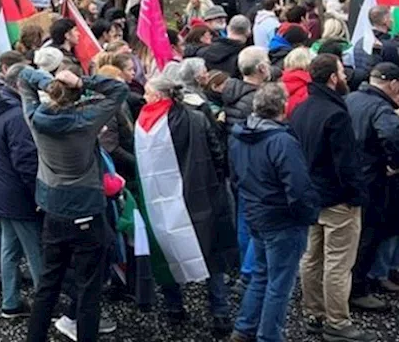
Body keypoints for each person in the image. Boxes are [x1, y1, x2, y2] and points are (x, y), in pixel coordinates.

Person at [19, 65, 125, 342]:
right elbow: (119, 89)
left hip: (53, 207)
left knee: (48, 284)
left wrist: (49, 81)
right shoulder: (86, 120)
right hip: (87, 208)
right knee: (89, 288)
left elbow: (23, 76)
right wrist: (81, 79)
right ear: (77, 97)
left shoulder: (34, 117)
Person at [134, 72, 235, 333]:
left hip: (159, 200)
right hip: (200, 195)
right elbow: (217, 153)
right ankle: (220, 312)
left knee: (166, 249)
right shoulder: (196, 118)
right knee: (210, 252)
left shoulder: (142, 124)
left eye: (147, 92)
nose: (144, 96)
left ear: (158, 96)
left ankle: (174, 308)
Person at [289, 54, 374, 342]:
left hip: (311, 197)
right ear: (332, 78)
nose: (346, 76)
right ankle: (337, 322)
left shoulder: (300, 109)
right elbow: (346, 164)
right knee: (338, 262)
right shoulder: (336, 114)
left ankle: (314, 313)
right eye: (341, 71)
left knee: (311, 258)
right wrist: (356, 196)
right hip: (338, 200)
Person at [230, 83, 319, 342]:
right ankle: (269, 335)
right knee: (280, 283)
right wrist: (307, 215)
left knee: (261, 274)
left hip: (256, 213)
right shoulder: (282, 141)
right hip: (282, 220)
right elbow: (298, 187)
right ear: (283, 106)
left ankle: (245, 328)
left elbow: (236, 175)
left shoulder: (240, 136)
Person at [345, 63, 399, 310]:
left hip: (350, 176)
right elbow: (393, 139)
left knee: (350, 238)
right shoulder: (382, 109)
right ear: (394, 84)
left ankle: (351, 284)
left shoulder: (351, 98)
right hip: (372, 179)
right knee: (368, 235)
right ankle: (358, 289)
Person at [0, 62, 42, 318]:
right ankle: (45, 303)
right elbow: (26, 162)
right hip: (18, 194)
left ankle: (11, 302)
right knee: (36, 251)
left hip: (2, 189)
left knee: (10, 249)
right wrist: (39, 194)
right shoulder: (18, 116)